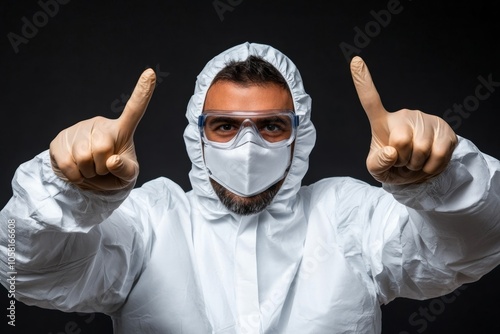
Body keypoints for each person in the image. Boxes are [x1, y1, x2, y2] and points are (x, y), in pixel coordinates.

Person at [1, 42, 499, 334]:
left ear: (297, 135)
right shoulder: (150, 219)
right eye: (224, 126)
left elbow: (471, 248)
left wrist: (441, 180)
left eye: (270, 127)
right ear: (198, 135)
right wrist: (66, 188)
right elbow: (25, 273)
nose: (248, 146)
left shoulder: (348, 215)